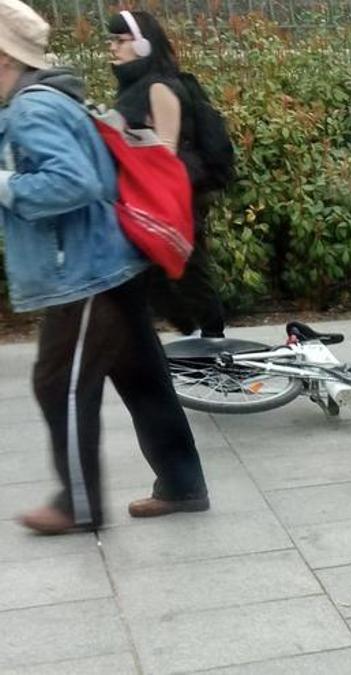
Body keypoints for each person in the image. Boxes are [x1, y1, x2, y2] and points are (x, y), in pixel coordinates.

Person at [0, 0, 209, 534]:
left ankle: (78, 505)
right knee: (141, 377)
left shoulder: (30, 109)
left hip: (85, 270)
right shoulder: (49, 97)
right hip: (109, 260)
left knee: (59, 384)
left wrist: (6, 187)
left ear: (5, 60)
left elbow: (72, 182)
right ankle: (183, 484)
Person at [108, 10, 227, 337]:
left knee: (186, 267)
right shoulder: (136, 87)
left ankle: (212, 339)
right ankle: (190, 334)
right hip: (153, 190)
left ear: (144, 45)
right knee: (158, 269)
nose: (113, 48)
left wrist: (125, 140)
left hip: (174, 190)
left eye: (121, 41)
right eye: (112, 41)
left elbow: (166, 148)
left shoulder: (159, 87)